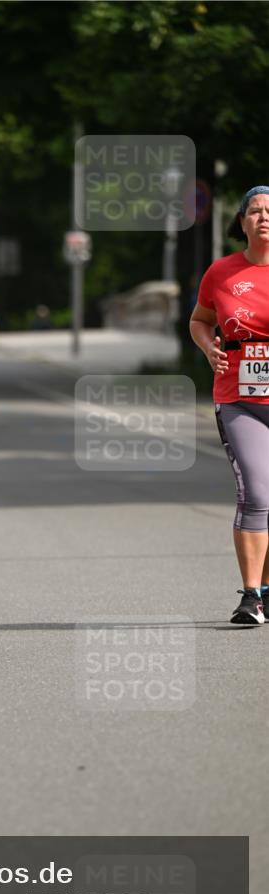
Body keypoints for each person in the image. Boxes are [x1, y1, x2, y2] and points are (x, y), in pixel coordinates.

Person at [189, 184, 269, 625]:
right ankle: (251, 595)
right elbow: (200, 320)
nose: (263, 217)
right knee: (256, 492)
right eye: (254, 211)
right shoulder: (221, 272)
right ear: (241, 222)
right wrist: (207, 348)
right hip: (240, 397)